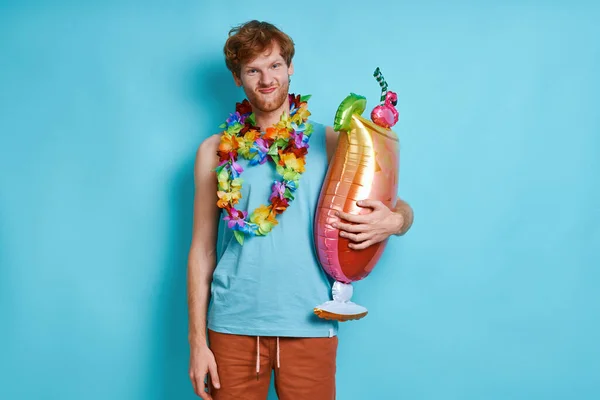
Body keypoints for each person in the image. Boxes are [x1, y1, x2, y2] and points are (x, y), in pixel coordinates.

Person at [187, 20, 414, 400]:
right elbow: (201, 250)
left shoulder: (332, 141)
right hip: (231, 326)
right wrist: (197, 343)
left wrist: (395, 220)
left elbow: (397, 204)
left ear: (290, 67)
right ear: (237, 77)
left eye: (274, 65)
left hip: (310, 323)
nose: (266, 79)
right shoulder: (214, 151)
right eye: (253, 70)